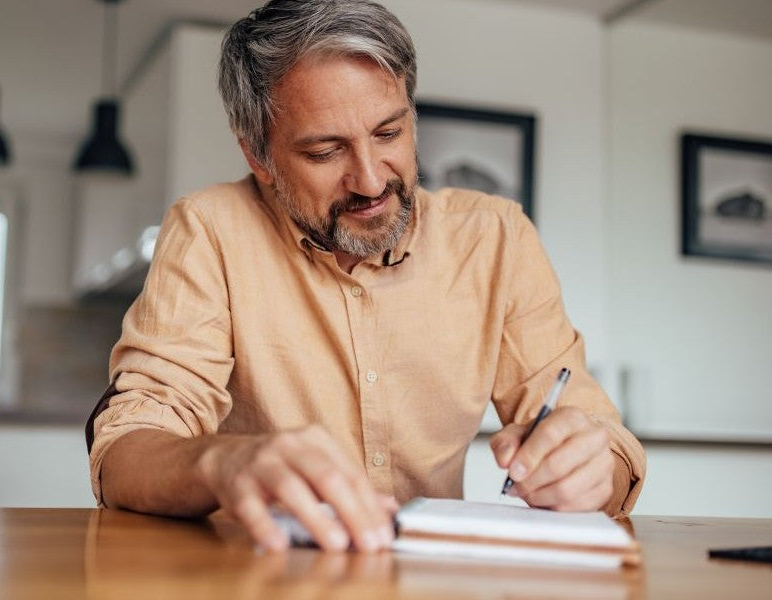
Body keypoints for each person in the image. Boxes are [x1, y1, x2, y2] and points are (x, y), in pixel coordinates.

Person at [85, 0, 645, 553]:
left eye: (388, 134)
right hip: (263, 579)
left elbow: (605, 442)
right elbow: (125, 451)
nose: (372, 181)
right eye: (326, 151)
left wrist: (594, 469)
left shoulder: (495, 239)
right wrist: (223, 462)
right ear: (259, 156)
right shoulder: (210, 230)